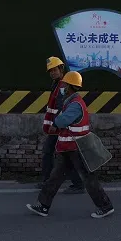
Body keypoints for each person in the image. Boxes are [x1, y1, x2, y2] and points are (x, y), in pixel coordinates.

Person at [27, 71, 115, 219]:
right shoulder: (71, 101)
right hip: (68, 148)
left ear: (70, 87)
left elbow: (62, 121)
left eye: (65, 84)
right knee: (55, 178)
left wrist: (55, 123)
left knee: (88, 178)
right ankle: (43, 206)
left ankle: (105, 206)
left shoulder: (75, 104)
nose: (63, 86)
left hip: (76, 148)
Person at [38, 56, 84, 194]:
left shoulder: (63, 87)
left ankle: (75, 184)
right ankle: (51, 181)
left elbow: (61, 107)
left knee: (57, 154)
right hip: (56, 127)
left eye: (55, 70)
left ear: (61, 69)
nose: (52, 73)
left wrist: (56, 125)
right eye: (50, 71)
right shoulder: (57, 85)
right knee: (60, 155)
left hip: (59, 128)